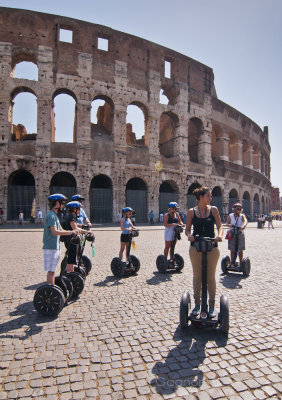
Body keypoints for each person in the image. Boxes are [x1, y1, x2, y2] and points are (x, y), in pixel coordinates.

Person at [185, 187, 223, 318]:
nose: (210, 198)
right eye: (208, 196)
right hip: (196, 247)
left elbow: (220, 226)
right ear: (201, 197)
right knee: (197, 277)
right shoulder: (191, 212)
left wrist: (219, 235)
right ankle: (197, 305)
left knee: (210, 278)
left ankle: (211, 306)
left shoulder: (213, 210)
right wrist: (189, 235)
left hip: (212, 246)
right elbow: (187, 229)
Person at [43, 194, 78, 285]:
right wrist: (71, 232)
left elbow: (61, 230)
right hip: (50, 246)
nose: (64, 205)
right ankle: (50, 290)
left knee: (53, 271)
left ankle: (52, 288)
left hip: (55, 246)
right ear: (57, 203)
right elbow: (55, 232)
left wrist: (72, 231)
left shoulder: (55, 216)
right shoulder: (51, 216)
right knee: (51, 271)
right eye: (63, 203)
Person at [62, 201, 93, 273]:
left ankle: (70, 272)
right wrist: (87, 232)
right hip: (71, 240)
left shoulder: (69, 216)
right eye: (79, 208)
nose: (80, 210)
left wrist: (83, 227)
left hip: (70, 239)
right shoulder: (71, 218)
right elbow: (76, 229)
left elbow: (76, 226)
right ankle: (70, 274)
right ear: (74, 209)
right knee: (71, 260)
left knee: (72, 258)